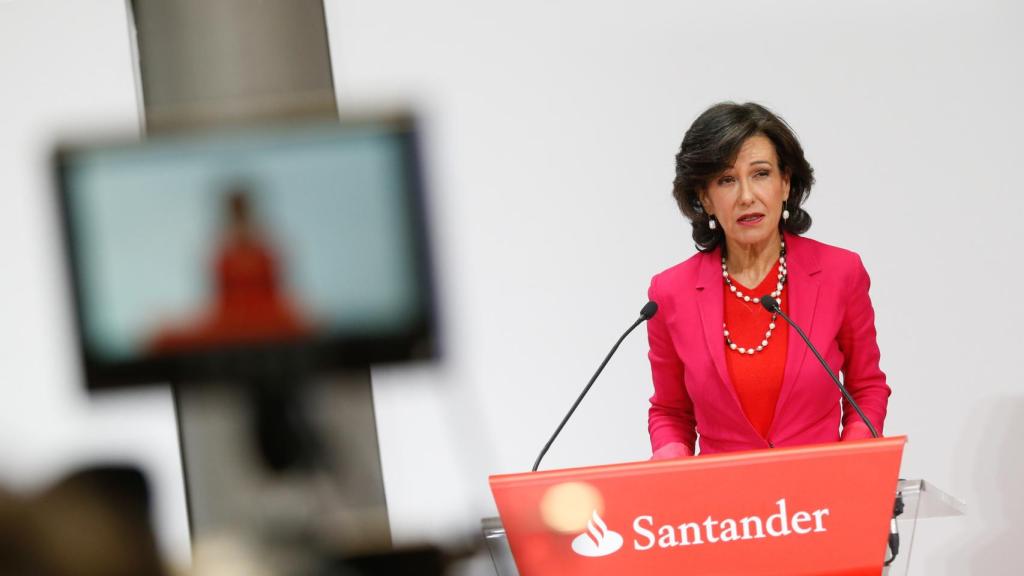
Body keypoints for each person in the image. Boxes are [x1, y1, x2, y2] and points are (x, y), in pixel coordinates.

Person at [647, 102, 890, 458]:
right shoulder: (670, 293)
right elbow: (670, 411)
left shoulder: (841, 273)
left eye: (761, 174)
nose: (747, 196)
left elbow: (866, 387)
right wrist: (670, 456)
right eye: (727, 180)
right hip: (724, 508)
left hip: (819, 501)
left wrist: (851, 462)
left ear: (786, 183)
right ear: (705, 199)